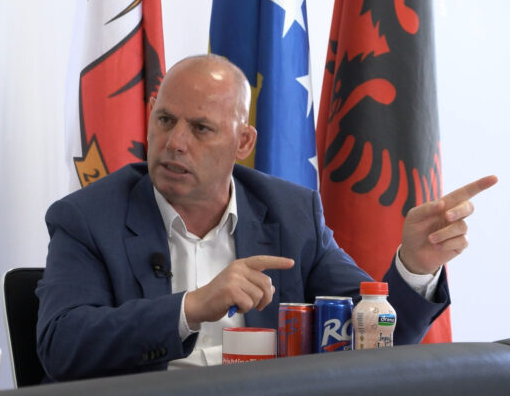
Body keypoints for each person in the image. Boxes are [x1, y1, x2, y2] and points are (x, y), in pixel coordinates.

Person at [36, 54, 497, 382]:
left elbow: (372, 340)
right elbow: (61, 346)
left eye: (200, 128)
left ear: (243, 143)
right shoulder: (87, 218)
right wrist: (190, 308)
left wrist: (415, 266)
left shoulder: (291, 214)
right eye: (165, 121)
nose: (175, 142)